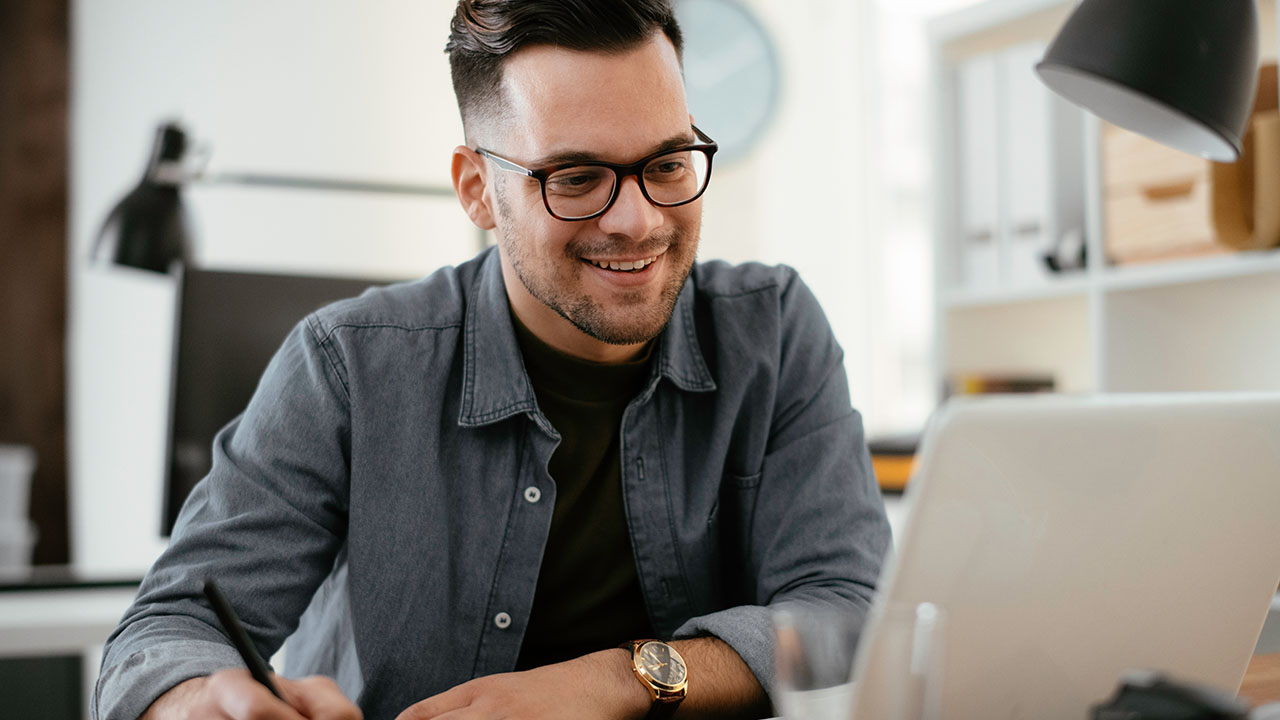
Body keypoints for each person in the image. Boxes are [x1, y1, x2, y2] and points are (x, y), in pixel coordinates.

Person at [92, 1, 891, 718]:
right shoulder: (347, 366)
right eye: (576, 178)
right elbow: (166, 633)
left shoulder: (775, 330)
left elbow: (845, 611)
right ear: (477, 189)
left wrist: (616, 682)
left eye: (668, 164)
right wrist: (202, 702)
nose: (639, 219)